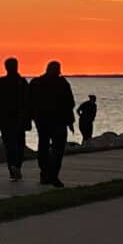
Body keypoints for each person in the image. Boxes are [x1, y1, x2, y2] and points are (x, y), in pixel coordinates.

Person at [29, 60, 75, 188]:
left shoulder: (36, 83)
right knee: (57, 149)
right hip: (57, 121)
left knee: (44, 147)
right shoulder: (62, 83)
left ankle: (45, 173)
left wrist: (30, 118)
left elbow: (28, 102)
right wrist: (70, 121)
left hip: (42, 121)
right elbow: (70, 103)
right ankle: (52, 175)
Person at [0, 57, 31, 181]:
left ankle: (14, 168)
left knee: (12, 144)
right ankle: (15, 167)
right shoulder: (20, 82)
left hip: (13, 118)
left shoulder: (8, 82)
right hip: (12, 118)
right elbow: (29, 101)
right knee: (16, 144)